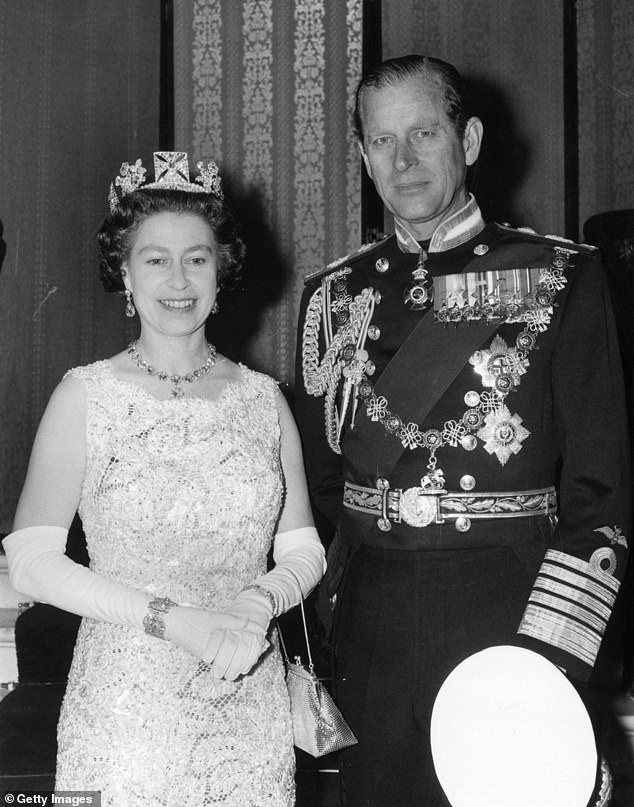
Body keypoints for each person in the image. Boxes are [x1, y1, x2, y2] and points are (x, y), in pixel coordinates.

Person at [294, 55, 630, 806]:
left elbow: (602, 492)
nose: (403, 160)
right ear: (363, 155)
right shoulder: (333, 296)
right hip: (372, 631)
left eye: (423, 133)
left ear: (469, 139)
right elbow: (319, 495)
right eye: (382, 141)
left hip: (510, 611)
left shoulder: (559, 277)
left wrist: (547, 654)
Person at [3, 151, 326, 806]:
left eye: (197, 257)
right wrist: (175, 621)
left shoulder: (266, 400)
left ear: (221, 269)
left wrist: (255, 603)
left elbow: (304, 551)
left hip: (248, 711)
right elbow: (31, 562)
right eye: (155, 257)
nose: (177, 278)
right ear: (124, 270)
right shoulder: (85, 396)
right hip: (127, 712)